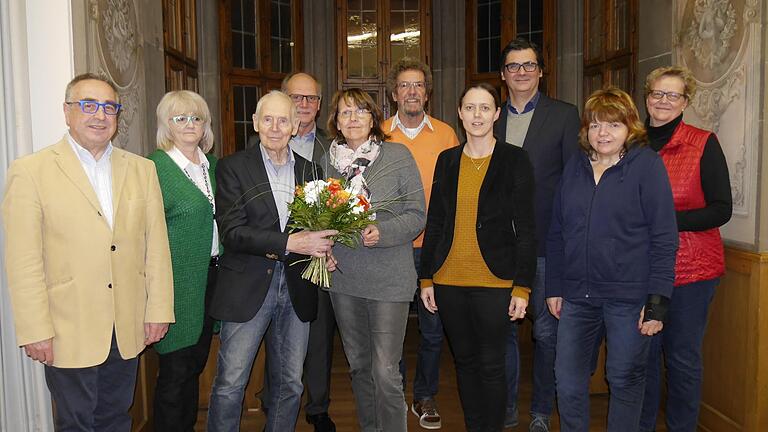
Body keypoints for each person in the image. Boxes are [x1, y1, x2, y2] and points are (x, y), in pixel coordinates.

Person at [2, 73, 174, 431]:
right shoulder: (30, 171)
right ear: (67, 112)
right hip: (68, 327)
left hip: (126, 325)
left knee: (115, 417)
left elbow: (156, 246)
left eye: (109, 107)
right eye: (88, 105)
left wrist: (157, 309)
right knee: (75, 423)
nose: (100, 115)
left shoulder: (142, 170)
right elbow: (24, 261)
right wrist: (35, 329)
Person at [546, 87, 679, 432]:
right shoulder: (574, 166)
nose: (602, 133)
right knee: (568, 379)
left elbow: (665, 237)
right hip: (576, 295)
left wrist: (658, 302)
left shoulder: (646, 166)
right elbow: (558, 231)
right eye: (594, 125)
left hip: (629, 297)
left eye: (613, 125)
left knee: (624, 376)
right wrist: (554, 286)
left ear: (629, 128)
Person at [206, 90, 337, 432]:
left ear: (296, 126)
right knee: (232, 382)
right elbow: (232, 232)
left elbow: (316, 225)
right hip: (246, 287)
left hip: (297, 288)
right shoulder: (233, 167)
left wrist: (325, 249)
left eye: (283, 120)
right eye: (268, 119)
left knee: (291, 382)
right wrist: (290, 242)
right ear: (255, 123)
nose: (275, 128)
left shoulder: (311, 170)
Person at [419, 82, 536, 432]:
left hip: (495, 280)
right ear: (459, 113)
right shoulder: (447, 160)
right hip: (449, 280)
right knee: (465, 363)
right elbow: (436, 221)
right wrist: (426, 277)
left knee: (491, 365)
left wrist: (522, 287)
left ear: (497, 114)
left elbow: (527, 228)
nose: (477, 115)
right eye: (470, 108)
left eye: (485, 108)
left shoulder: (515, 159)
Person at [322, 88, 426, 432]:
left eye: (360, 112)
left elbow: (417, 215)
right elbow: (318, 219)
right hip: (345, 279)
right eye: (345, 113)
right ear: (336, 121)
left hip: (389, 279)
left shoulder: (397, 156)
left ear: (373, 118)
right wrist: (324, 250)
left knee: (385, 369)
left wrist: (382, 231)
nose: (352, 119)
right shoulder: (326, 163)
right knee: (359, 367)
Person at [493, 37, 580, 432]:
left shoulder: (563, 115)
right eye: (513, 66)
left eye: (529, 65)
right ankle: (507, 408)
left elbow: (573, 184)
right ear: (503, 74)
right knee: (503, 333)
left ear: (541, 71)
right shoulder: (489, 117)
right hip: (498, 248)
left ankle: (541, 411)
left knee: (546, 334)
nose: (521, 72)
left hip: (546, 245)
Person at [639, 66, 732, 432]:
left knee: (681, 360)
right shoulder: (629, 142)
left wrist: (665, 223)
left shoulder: (703, 142)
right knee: (641, 360)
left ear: (685, 102)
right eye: (657, 94)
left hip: (692, 271)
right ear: (647, 98)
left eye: (673, 95)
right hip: (641, 271)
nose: (663, 101)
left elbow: (721, 209)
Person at [248, 72, 338, 432]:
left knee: (317, 338)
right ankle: (274, 404)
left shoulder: (331, 150)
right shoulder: (257, 149)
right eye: (296, 98)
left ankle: (317, 407)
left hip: (314, 261)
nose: (303, 105)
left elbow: (339, 200)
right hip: (266, 264)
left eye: (311, 99)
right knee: (275, 343)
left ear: (318, 105)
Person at [382, 57, 459, 430]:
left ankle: (425, 395)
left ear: (427, 93)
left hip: (434, 247)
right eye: (404, 85)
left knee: (432, 329)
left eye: (418, 85)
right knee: (392, 330)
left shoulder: (446, 135)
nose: (411, 92)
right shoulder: (378, 134)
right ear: (394, 94)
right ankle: (393, 393)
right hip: (392, 248)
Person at [147, 90, 219, 432]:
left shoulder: (214, 167)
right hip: (175, 286)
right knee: (175, 372)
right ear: (166, 125)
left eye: (197, 118)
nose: (190, 124)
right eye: (180, 118)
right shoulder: (155, 169)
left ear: (205, 125)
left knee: (194, 365)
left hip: (212, 281)